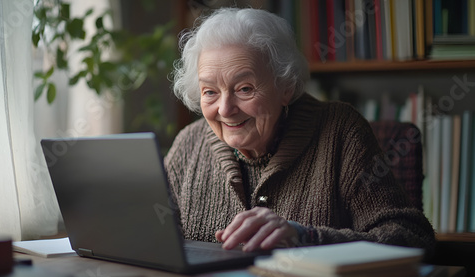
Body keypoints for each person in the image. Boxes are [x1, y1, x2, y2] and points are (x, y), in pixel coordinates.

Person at [165, 7, 435, 256]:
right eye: (209, 92)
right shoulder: (189, 145)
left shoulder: (341, 132)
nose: (225, 109)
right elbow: (149, 237)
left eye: (244, 88)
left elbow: (412, 239)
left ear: (286, 86)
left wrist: (306, 237)